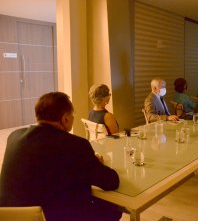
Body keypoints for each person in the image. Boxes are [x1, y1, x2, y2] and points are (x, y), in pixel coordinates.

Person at [0, 92, 122, 221]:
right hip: (53, 216)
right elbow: (111, 182)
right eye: (72, 114)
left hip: (10, 216)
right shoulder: (76, 145)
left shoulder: (13, 137)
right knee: (112, 208)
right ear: (65, 119)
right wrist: (97, 164)